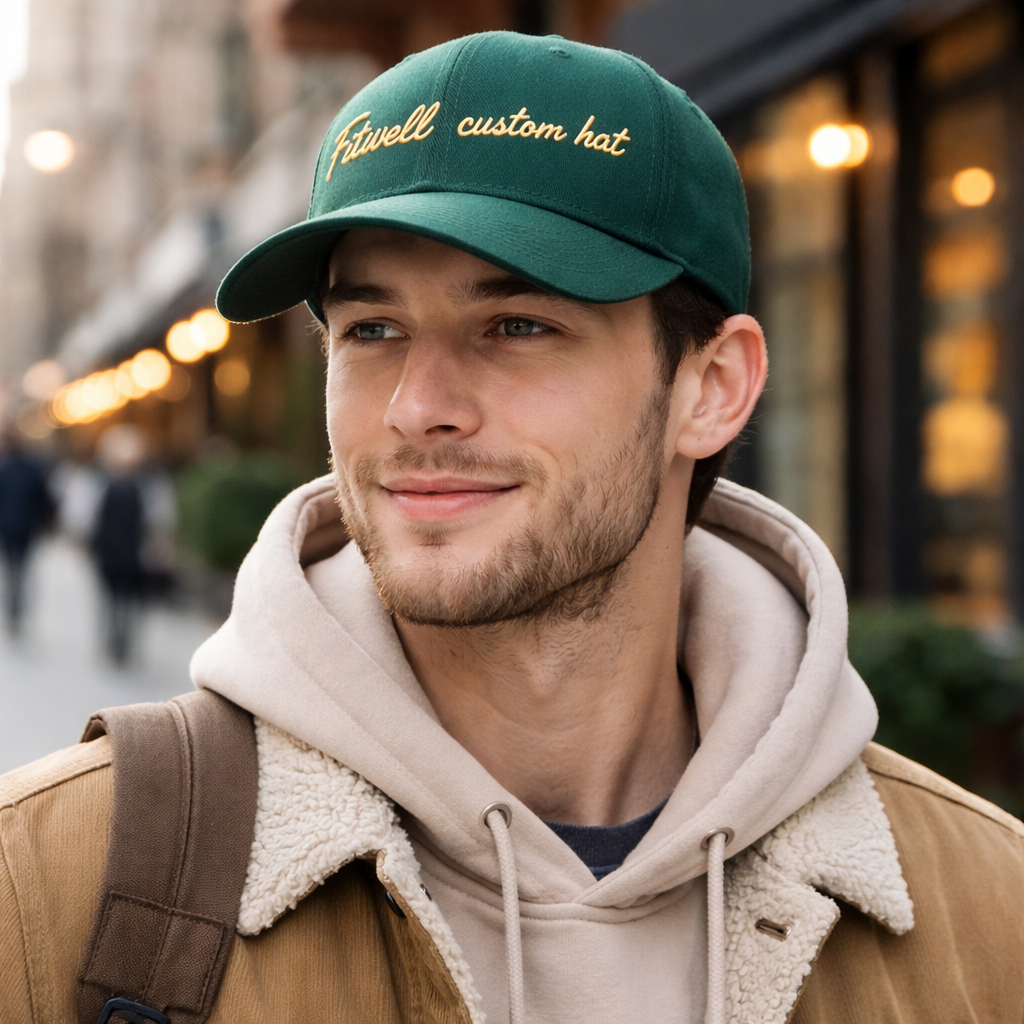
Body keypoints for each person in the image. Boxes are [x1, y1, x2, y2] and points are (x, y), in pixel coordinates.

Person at [1, 32, 1022, 1024]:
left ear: (711, 388)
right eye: (372, 330)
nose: (417, 405)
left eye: (517, 325)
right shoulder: (48, 884)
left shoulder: (988, 911)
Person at [0, 428, 52, 635]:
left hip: (11, 529)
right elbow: (44, 500)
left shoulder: (5, 468)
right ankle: (16, 610)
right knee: (19, 571)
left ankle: (14, 610)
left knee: (14, 570)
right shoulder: (32, 468)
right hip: (24, 529)